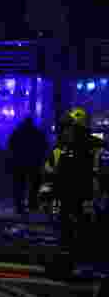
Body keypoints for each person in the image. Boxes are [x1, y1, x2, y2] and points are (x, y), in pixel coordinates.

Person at [44, 108, 104, 275]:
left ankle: (86, 265)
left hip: (88, 201)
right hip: (64, 201)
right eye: (64, 128)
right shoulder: (59, 150)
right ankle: (68, 264)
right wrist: (46, 196)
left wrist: (99, 199)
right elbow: (48, 175)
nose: (65, 132)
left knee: (88, 234)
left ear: (79, 129)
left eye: (69, 128)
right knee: (65, 235)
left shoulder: (97, 149)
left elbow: (102, 176)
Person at [7, 116, 47, 214]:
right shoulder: (37, 133)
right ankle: (32, 204)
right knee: (34, 185)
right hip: (34, 162)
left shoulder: (17, 133)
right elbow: (44, 147)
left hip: (20, 163)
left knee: (19, 185)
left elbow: (10, 146)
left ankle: (19, 206)